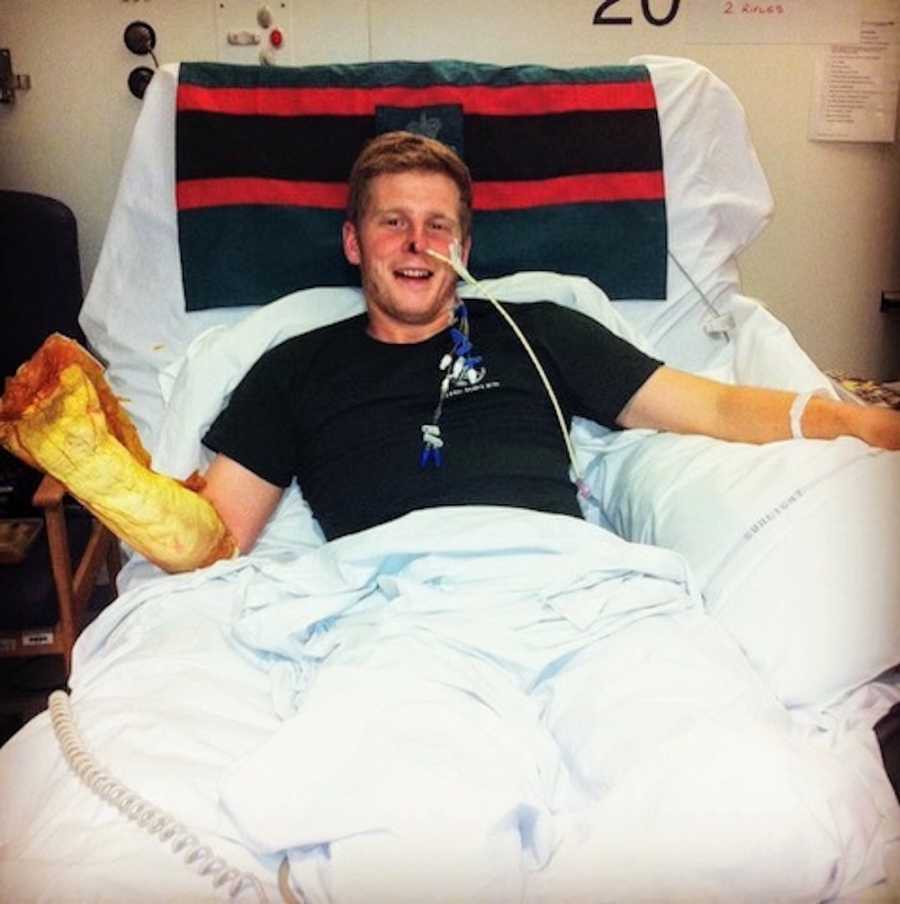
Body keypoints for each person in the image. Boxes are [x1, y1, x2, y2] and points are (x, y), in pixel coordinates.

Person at [201, 130, 900, 551]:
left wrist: (853, 420)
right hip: (390, 611)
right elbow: (214, 538)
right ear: (354, 242)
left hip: (563, 589)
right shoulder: (293, 368)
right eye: (392, 222)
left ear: (464, 246)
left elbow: (713, 409)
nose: (418, 243)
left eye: (438, 226)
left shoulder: (536, 330)